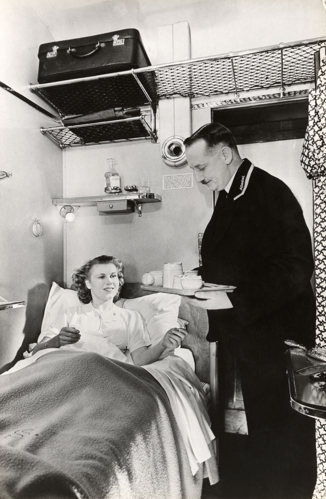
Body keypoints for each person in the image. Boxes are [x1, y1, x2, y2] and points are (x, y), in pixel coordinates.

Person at [184, 122, 316, 499]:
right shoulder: (229, 194)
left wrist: (233, 300)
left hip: (277, 335)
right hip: (249, 335)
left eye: (200, 167)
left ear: (225, 154)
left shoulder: (269, 192)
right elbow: (240, 260)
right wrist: (199, 280)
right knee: (265, 425)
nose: (196, 176)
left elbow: (295, 267)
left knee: (286, 430)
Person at [31, 255, 186, 366]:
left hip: (104, 374)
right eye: (101, 277)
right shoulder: (70, 314)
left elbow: (140, 360)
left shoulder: (130, 318)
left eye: (113, 276)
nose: (110, 281)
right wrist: (56, 340)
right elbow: (37, 350)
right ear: (88, 283)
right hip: (67, 368)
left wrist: (163, 344)